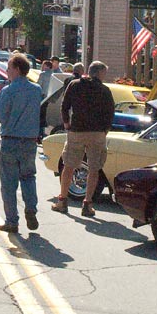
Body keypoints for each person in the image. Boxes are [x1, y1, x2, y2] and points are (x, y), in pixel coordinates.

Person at [52, 61, 114, 217]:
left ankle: (62, 201)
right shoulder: (105, 90)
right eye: (104, 73)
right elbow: (110, 113)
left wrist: (66, 123)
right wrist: (105, 130)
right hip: (97, 133)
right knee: (94, 169)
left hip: (76, 131)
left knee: (69, 166)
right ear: (99, 73)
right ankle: (87, 204)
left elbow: (64, 105)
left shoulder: (75, 85)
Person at [0, 53, 43, 233]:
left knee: (8, 183)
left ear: (18, 70)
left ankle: (12, 220)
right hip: (29, 140)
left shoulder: (8, 90)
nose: (7, 71)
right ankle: (31, 208)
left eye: (9, 68)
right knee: (28, 177)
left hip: (11, 140)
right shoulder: (36, 90)